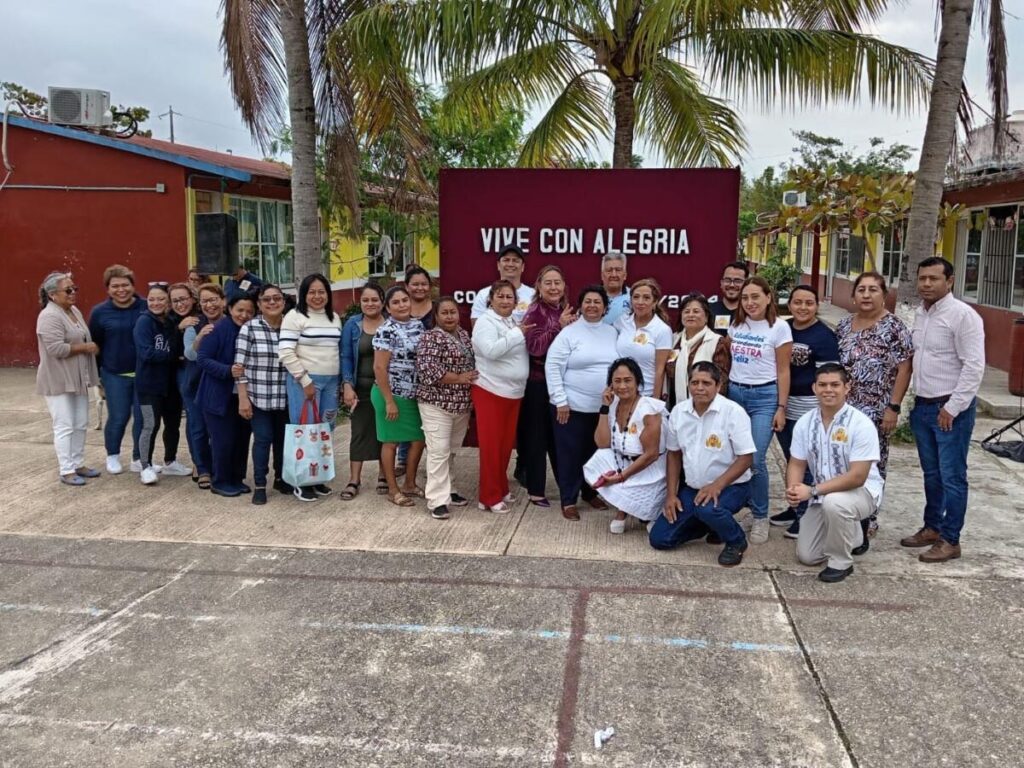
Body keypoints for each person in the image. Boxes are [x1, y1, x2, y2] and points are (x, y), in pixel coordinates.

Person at [901, 257, 985, 563]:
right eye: (922, 278)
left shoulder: (963, 316)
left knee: (953, 476)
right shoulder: (920, 315)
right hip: (923, 406)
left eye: (933, 279)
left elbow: (974, 366)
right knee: (931, 474)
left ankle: (951, 539)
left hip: (950, 409)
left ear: (949, 281)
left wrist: (953, 407)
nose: (926, 284)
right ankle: (932, 527)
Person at [834, 271, 913, 551]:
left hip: (875, 410)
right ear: (853, 295)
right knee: (842, 461)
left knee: (872, 466)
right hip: (842, 410)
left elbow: (905, 368)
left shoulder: (894, 328)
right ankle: (843, 511)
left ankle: (869, 518)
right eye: (861, 290)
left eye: (873, 290)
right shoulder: (843, 326)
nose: (866, 295)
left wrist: (893, 407)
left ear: (883, 294)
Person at [649, 362, 755, 566]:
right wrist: (671, 495)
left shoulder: (733, 412)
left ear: (718, 385)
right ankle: (712, 525)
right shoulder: (679, 412)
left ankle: (736, 541)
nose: (699, 388)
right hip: (693, 489)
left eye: (706, 383)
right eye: (694, 382)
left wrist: (717, 486)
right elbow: (673, 454)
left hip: (732, 487)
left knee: (708, 509)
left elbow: (746, 458)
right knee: (660, 539)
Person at [787, 364, 884, 583]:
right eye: (822, 385)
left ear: (847, 388)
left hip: (861, 492)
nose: (828, 390)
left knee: (835, 503)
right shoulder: (805, 422)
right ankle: (854, 535)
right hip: (823, 494)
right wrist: (794, 490)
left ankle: (841, 562)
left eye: (835, 385)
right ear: (814, 388)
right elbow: (796, 463)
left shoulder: (861, 423)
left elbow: (858, 476)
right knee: (807, 556)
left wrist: (811, 490)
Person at [771, 285, 840, 539]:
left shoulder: (824, 336)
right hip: (783, 405)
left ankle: (808, 515)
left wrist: (824, 409)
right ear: (789, 305)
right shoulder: (782, 328)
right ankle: (795, 506)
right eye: (797, 302)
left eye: (808, 303)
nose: (802, 308)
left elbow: (828, 376)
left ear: (816, 306)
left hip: (809, 407)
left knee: (808, 462)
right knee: (792, 459)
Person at [727, 276, 792, 545]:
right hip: (735, 393)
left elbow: (783, 369)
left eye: (756, 297)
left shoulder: (779, 328)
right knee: (735, 457)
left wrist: (781, 407)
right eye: (745, 298)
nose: (750, 302)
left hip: (765, 397)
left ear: (768, 297)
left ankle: (761, 515)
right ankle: (746, 508)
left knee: (755, 459)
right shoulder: (736, 323)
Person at [545, 285, 618, 520]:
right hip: (571, 407)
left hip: (602, 410)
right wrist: (560, 401)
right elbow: (553, 366)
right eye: (588, 301)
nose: (592, 305)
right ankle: (569, 499)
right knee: (570, 454)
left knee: (595, 452)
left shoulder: (612, 332)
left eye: (598, 302)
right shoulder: (569, 333)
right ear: (581, 305)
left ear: (605, 307)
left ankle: (590, 492)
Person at [584, 358, 668, 533]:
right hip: (624, 462)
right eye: (617, 381)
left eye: (628, 380)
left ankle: (646, 510)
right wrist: (604, 408)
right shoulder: (613, 404)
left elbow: (651, 454)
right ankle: (625, 507)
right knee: (598, 459)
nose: (622, 386)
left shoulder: (649, 410)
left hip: (649, 469)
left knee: (656, 530)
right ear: (610, 385)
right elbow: (602, 443)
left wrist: (621, 477)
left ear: (638, 382)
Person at [279, 273, 342, 501]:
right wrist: (305, 381)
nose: (317, 296)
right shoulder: (294, 317)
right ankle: (301, 482)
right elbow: (286, 352)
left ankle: (318, 477)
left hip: (331, 382)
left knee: (324, 431)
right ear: (303, 294)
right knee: (304, 431)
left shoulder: (334, 317)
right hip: (305, 381)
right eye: (311, 292)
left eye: (321, 291)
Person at [35, 272, 100, 485]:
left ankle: (78, 462)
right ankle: (66, 469)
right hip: (59, 379)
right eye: (68, 290)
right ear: (53, 294)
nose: (73, 293)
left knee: (81, 422)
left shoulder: (73, 311)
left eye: (75, 289)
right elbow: (54, 348)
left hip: (78, 378)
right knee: (64, 425)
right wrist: (85, 347)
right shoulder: (49, 316)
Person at [415, 297, 477, 519]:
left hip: (461, 405)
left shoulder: (464, 335)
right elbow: (428, 370)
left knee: (450, 451)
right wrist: (460, 378)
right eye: (445, 313)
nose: (450, 316)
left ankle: (449, 489)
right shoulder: (429, 337)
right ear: (437, 316)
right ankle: (437, 500)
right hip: (436, 404)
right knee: (438, 451)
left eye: (453, 312)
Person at [472, 280, 529, 514]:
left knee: (505, 446)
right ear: (491, 299)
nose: (505, 301)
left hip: (513, 392)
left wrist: (517, 330)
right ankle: (488, 496)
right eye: (501, 296)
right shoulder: (486, 321)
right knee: (491, 447)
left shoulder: (513, 320)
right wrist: (517, 334)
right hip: (490, 390)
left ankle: (501, 486)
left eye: (510, 297)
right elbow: (491, 351)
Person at [521, 266, 576, 507]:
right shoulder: (535, 312)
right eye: (548, 283)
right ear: (539, 287)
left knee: (559, 438)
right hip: (537, 385)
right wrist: (558, 327)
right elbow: (534, 348)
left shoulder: (565, 310)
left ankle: (566, 486)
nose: (554, 288)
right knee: (537, 438)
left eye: (558, 283)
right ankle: (535, 490)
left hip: (561, 385)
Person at [235, 284, 290, 505]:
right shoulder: (249, 328)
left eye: (276, 298)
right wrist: (243, 398)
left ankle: (281, 478)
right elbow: (240, 366)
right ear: (259, 304)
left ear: (283, 302)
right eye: (266, 299)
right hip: (258, 397)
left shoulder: (292, 326)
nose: (272, 303)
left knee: (283, 441)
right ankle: (260, 483)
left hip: (286, 397)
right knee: (262, 440)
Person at [372, 285, 427, 507]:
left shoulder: (418, 324)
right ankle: (393, 489)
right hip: (391, 394)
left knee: (418, 440)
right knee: (391, 442)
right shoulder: (386, 330)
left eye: (405, 300)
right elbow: (379, 368)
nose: (402, 305)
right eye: (396, 302)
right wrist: (389, 401)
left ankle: (410, 484)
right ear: (387, 307)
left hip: (414, 394)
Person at [88, 264, 145, 474]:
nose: (121, 290)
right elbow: (95, 346)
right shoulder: (99, 313)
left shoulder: (146, 307)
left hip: (144, 374)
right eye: (115, 286)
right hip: (114, 375)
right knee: (119, 417)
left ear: (133, 285)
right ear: (108, 289)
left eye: (125, 285)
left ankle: (139, 458)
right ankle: (112, 455)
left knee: (143, 418)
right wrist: (98, 378)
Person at [197, 294, 256, 497]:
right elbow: (203, 359)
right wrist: (227, 370)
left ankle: (236, 479)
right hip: (217, 396)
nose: (244, 315)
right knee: (224, 441)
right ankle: (220, 481)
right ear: (229, 308)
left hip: (243, 396)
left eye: (249, 311)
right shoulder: (218, 330)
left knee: (241, 439)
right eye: (240, 310)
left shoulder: (251, 330)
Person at [340, 283, 387, 499]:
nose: (370, 304)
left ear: (382, 302)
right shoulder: (353, 324)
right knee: (358, 433)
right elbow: (346, 356)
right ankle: (354, 479)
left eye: (374, 300)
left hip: (386, 389)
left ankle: (384, 475)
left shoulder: (391, 323)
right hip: (360, 389)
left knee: (385, 433)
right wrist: (347, 385)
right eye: (365, 300)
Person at [133, 283, 179, 486]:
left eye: (161, 299)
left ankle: (170, 461)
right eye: (151, 299)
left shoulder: (170, 322)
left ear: (168, 302)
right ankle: (145, 466)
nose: (156, 303)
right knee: (150, 425)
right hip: (149, 386)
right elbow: (146, 353)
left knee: (173, 424)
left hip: (171, 384)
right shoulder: (144, 322)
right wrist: (174, 357)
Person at [183, 283, 226, 489]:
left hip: (222, 385)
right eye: (205, 301)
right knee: (198, 428)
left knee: (219, 430)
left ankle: (220, 466)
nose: (210, 305)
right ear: (199, 304)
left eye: (213, 300)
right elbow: (190, 354)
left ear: (223, 301)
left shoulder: (232, 323)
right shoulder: (194, 325)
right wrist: (201, 336)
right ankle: (203, 469)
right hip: (196, 384)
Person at [667, 293, 732, 407]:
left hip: (708, 408)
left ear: (706, 317)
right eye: (686, 311)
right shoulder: (673, 340)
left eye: (696, 311)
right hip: (676, 408)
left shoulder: (717, 342)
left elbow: (722, 382)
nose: (691, 315)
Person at [613, 278, 672, 399]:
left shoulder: (662, 330)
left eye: (646, 298)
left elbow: (660, 371)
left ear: (655, 302)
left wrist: (654, 403)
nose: (640, 302)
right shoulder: (622, 322)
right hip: (620, 394)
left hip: (646, 395)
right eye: (636, 297)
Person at [169, 283, 203, 481]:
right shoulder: (169, 321)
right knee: (194, 417)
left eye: (183, 299)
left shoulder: (202, 315)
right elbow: (170, 351)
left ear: (193, 298)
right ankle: (199, 463)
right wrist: (177, 329)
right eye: (175, 301)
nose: (180, 304)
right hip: (184, 373)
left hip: (203, 371)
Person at [470, 245, 535, 326]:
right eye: (506, 260)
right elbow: (477, 328)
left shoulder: (533, 295)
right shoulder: (483, 294)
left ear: (523, 267)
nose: (511, 264)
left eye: (515, 260)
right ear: (498, 265)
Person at [708, 261, 749, 336]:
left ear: (746, 284)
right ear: (721, 283)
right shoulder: (708, 311)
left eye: (738, 281)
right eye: (727, 280)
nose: (732, 285)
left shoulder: (751, 312)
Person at [600, 253, 630, 326]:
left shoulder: (634, 296)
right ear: (602, 275)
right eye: (609, 270)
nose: (614, 275)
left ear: (625, 275)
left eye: (618, 270)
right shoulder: (592, 296)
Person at [405, 265, 436, 330]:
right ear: (406, 286)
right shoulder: (400, 309)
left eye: (424, 284)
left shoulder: (437, 308)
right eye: (415, 284)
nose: (420, 288)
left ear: (430, 286)